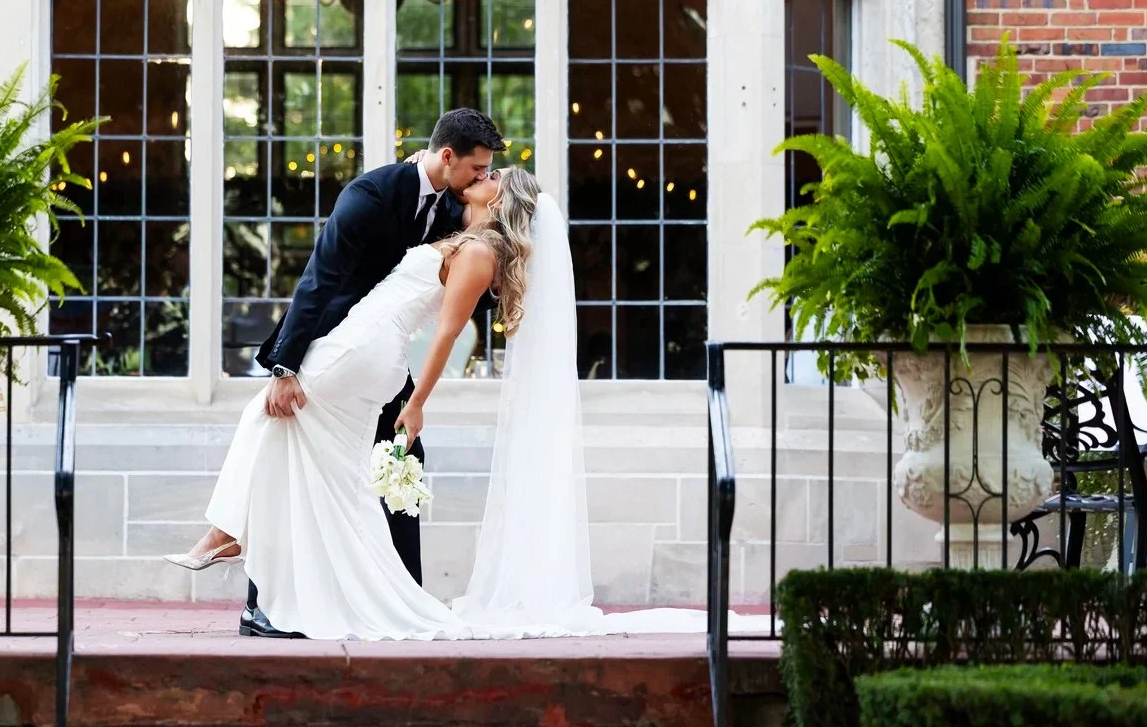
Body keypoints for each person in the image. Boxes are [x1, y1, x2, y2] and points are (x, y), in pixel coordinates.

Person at [169, 164, 749, 640]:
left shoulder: (480, 253)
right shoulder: (466, 234)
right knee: (331, 476)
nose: (484, 173)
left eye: (493, 174)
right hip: (360, 346)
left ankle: (230, 534)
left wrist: (417, 403)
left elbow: (445, 335)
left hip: (365, 350)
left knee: (267, 417)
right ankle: (290, 585)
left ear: (501, 198)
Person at [164, 108, 504, 638]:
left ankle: (394, 595)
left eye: (488, 174)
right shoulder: (370, 196)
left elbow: (467, 283)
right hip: (334, 347)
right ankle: (267, 599)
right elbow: (318, 279)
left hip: (376, 359)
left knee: (392, 472)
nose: (482, 178)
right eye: (477, 168)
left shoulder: (456, 212)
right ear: (446, 157)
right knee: (293, 450)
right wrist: (285, 364)